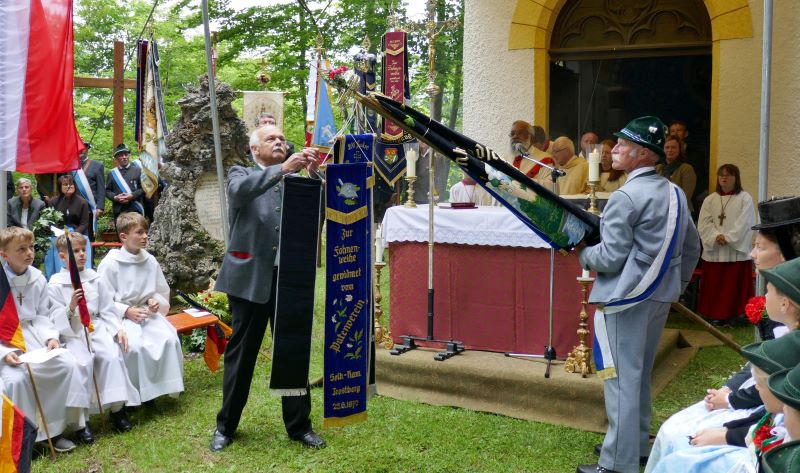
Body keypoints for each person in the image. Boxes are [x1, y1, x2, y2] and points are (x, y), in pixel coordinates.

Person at [577, 116, 701, 473]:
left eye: (622, 145)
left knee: (619, 379)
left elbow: (611, 257)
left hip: (626, 297)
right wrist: (674, 287)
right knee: (638, 375)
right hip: (659, 296)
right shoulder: (674, 193)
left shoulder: (626, 196)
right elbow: (693, 247)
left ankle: (618, 463)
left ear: (642, 154)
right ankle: (636, 445)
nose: (612, 149)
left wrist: (583, 253)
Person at [645, 196, 800, 472]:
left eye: (760, 247)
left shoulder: (788, 315)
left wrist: (730, 406)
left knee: (682, 446)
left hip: (771, 418)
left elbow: (775, 391)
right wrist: (729, 388)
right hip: (763, 408)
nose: (752, 254)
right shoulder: (778, 306)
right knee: (673, 430)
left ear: (784, 255)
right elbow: (755, 364)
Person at [210, 125, 325, 452]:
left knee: (292, 350)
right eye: (271, 139)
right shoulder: (239, 173)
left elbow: (320, 212)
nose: (280, 142)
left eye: (281, 138)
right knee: (242, 354)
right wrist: (283, 169)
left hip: (289, 279)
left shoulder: (294, 180)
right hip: (249, 279)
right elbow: (237, 193)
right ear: (255, 149)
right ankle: (226, 426)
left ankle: (300, 426)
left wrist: (314, 176)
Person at [0, 227, 87, 452]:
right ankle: (25, 440)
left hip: (35, 337)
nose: (29, 253)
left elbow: (43, 313)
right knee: (17, 380)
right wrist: (3, 353)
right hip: (7, 342)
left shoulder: (37, 278)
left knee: (65, 365)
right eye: (21, 249)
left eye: (31, 247)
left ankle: (54, 432)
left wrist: (50, 337)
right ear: (4, 254)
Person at [48, 231, 140, 439]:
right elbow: (54, 317)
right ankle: (81, 422)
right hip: (73, 332)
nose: (82, 255)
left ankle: (118, 410)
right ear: (62, 256)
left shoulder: (94, 277)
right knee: (82, 364)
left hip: (96, 327)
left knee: (111, 356)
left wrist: (118, 329)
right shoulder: (54, 283)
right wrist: (70, 307)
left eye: (83, 250)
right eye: (76, 252)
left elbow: (107, 308)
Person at [97, 212, 184, 405]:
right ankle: (136, 394)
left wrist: (154, 301)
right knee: (134, 347)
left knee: (168, 339)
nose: (145, 237)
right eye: (139, 233)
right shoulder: (110, 264)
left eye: (146, 232)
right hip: (121, 318)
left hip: (147, 314)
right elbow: (102, 300)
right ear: (123, 237)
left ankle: (159, 388)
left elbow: (161, 290)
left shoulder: (149, 260)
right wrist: (126, 311)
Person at [696, 164, 756, 326]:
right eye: (721, 175)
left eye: (728, 175)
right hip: (715, 249)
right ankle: (715, 314)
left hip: (734, 251)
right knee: (716, 285)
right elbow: (704, 223)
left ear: (736, 178)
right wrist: (716, 236)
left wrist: (729, 238)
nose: (724, 178)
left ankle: (733, 315)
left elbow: (746, 222)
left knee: (732, 287)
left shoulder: (745, 198)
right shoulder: (710, 200)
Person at [46, 174, 93, 278]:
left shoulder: (82, 202)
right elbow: (51, 222)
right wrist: (60, 233)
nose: (69, 186)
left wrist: (73, 234)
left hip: (78, 233)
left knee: (83, 241)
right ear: (60, 187)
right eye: (65, 184)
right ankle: (56, 276)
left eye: (71, 184)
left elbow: (84, 223)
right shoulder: (53, 202)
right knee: (52, 243)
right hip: (59, 233)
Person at [506, 120, 555, 188]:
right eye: (512, 134)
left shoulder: (546, 160)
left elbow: (551, 186)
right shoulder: (505, 159)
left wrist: (524, 182)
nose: (515, 137)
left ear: (531, 138)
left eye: (520, 133)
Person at [656, 134, 697, 213]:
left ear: (680, 150)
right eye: (667, 147)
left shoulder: (686, 169)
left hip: (680, 212)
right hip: (659, 212)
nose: (670, 150)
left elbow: (685, 195)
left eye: (673, 147)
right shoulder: (657, 168)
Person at [105, 144, 145, 223]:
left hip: (135, 209)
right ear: (116, 158)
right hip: (118, 210)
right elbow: (107, 191)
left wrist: (132, 195)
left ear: (129, 155)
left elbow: (143, 188)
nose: (124, 157)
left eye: (126, 154)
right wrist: (115, 197)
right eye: (121, 155)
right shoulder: (112, 173)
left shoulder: (138, 171)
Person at [78, 141, 106, 237]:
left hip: (91, 208)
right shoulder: (71, 167)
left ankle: (91, 252)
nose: (81, 150)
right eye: (78, 148)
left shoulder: (97, 166)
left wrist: (100, 206)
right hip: (75, 207)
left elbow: (101, 188)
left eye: (83, 148)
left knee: (90, 236)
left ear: (87, 149)